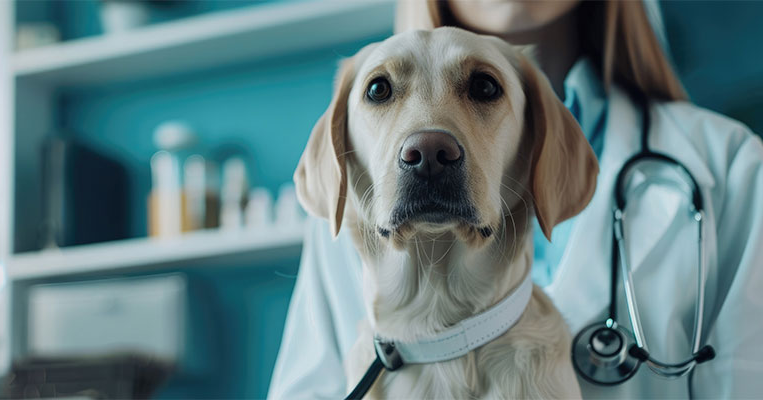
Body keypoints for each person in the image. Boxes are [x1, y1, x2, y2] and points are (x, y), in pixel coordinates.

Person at [268, 1, 763, 398]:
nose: (426, 146)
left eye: (482, 88)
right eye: (380, 92)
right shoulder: (353, 181)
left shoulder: (730, 162)